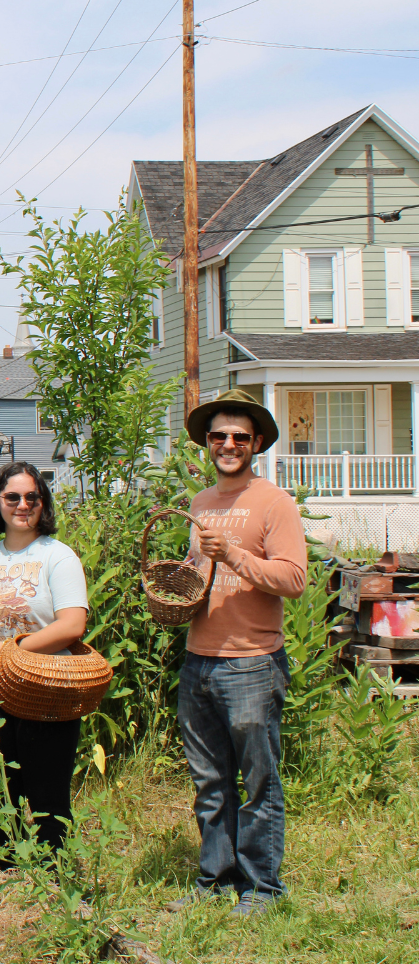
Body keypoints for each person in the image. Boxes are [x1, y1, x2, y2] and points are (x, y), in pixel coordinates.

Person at [168, 389, 307, 917]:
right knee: (209, 781)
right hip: (199, 658)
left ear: (257, 442)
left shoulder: (274, 502)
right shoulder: (201, 502)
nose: (228, 444)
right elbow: (200, 573)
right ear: (207, 442)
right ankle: (216, 879)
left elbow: (293, 579)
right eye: (219, 435)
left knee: (259, 781)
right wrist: (181, 579)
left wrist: (234, 554)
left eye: (239, 437)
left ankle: (263, 888)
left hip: (252, 661)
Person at [0, 461, 89, 854]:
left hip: (45, 693)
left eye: (33, 497)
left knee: (48, 798)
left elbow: (72, 625)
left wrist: (13, 650)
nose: (23, 505)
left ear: (43, 503)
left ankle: (53, 872)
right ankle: (2, 871)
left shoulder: (58, 557)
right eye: (12, 497)